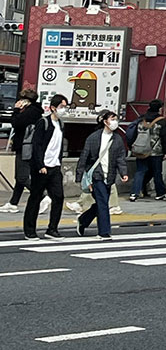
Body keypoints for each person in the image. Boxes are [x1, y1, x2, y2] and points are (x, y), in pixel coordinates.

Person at [74, 109, 129, 241]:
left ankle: (83, 219)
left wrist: (123, 173)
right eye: (112, 119)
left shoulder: (117, 139)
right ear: (105, 121)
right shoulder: (93, 138)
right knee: (103, 202)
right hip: (96, 175)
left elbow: (120, 158)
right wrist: (79, 174)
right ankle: (104, 231)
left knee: (100, 202)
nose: (115, 122)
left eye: (116, 119)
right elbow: (84, 157)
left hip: (109, 176)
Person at [23, 93, 69, 240]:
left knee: (58, 197)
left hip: (55, 166)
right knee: (35, 197)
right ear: (53, 108)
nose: (64, 109)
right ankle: (29, 230)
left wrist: (59, 162)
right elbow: (37, 145)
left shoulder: (61, 124)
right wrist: (40, 164)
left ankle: (52, 229)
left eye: (65, 107)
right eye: (61, 107)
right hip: (42, 167)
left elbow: (59, 146)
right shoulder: (43, 122)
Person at [1, 87, 42, 212]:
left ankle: (42, 196)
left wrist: (16, 110)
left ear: (27, 100)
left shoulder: (30, 112)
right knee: (19, 177)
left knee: (22, 177)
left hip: (25, 147)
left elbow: (16, 123)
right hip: (25, 146)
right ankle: (13, 202)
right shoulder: (35, 111)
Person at [127, 100, 166, 201]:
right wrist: (165, 151)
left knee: (140, 171)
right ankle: (160, 193)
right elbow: (164, 137)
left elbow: (133, 134)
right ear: (159, 108)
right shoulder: (161, 121)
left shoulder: (141, 119)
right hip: (156, 152)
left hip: (141, 151)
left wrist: (132, 146)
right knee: (157, 172)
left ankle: (134, 193)